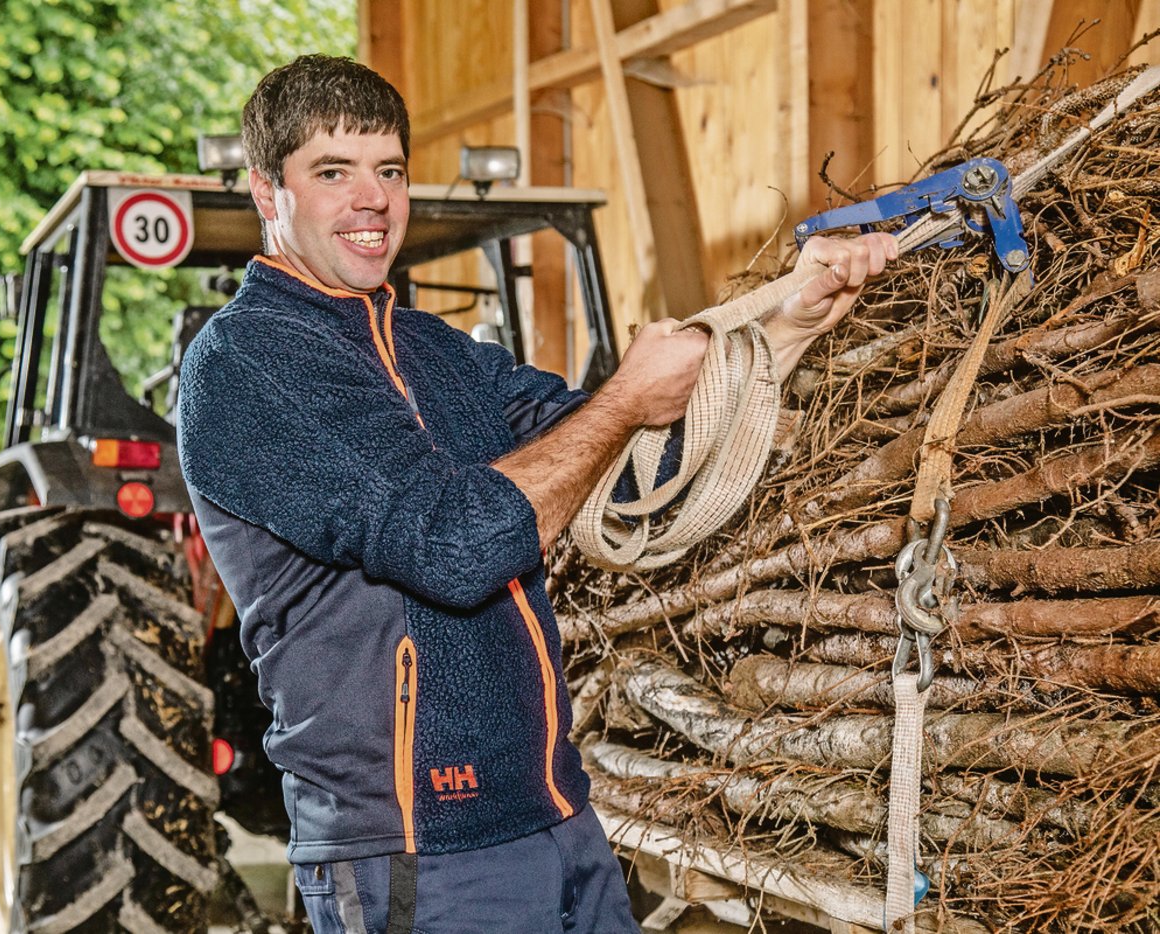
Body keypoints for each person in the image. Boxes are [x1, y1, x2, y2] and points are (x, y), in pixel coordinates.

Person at [177, 54, 894, 934]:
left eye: (389, 171)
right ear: (266, 192)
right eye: (333, 173)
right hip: (418, 849)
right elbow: (453, 547)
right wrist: (625, 399)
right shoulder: (252, 365)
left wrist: (786, 323)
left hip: (553, 815)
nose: (372, 199)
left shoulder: (438, 353)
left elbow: (632, 463)